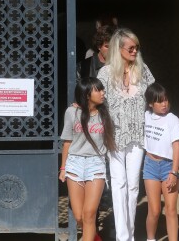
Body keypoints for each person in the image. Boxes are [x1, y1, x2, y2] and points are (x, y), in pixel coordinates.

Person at [97, 28, 155, 241]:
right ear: (118, 49)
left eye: (136, 47)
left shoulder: (143, 70)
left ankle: (129, 234)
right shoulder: (105, 73)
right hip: (114, 136)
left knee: (132, 185)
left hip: (138, 136)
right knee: (118, 183)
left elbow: (153, 96)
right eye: (131, 48)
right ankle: (123, 237)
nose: (134, 51)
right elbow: (96, 102)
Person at [59, 77, 117, 241]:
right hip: (74, 163)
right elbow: (67, 142)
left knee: (89, 213)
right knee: (79, 216)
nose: (102, 93)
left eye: (102, 89)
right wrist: (63, 168)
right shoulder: (71, 112)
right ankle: (93, 237)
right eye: (97, 90)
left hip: (95, 163)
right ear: (86, 94)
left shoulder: (106, 113)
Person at [143, 83, 179, 241]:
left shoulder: (173, 120)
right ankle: (150, 238)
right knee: (154, 210)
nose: (164, 104)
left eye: (166, 100)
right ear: (151, 104)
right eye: (160, 101)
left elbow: (177, 148)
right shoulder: (146, 115)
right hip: (150, 166)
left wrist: (174, 172)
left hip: (168, 167)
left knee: (171, 209)